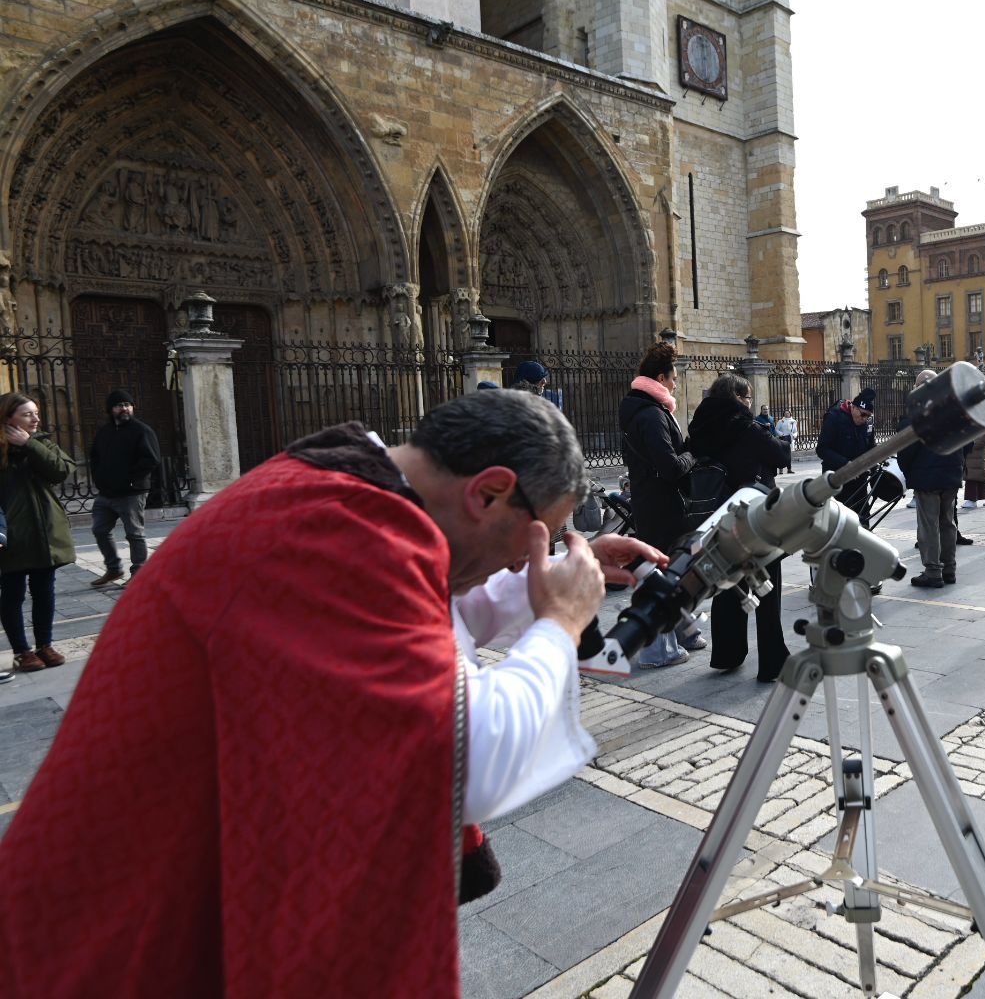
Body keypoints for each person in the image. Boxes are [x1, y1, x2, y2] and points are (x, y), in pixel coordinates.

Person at [0, 389, 661, 996]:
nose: (531, 559)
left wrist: (537, 583)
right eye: (537, 538)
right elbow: (464, 762)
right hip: (118, 940)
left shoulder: (344, 490)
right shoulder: (347, 534)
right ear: (488, 493)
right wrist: (560, 622)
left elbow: (432, 613)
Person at [687, 374, 791, 680]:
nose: (749, 403)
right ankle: (773, 661)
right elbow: (781, 454)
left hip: (718, 515)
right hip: (754, 514)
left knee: (725, 582)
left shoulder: (700, 426)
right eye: (746, 398)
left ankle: (727, 653)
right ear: (736, 398)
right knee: (767, 584)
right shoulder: (744, 426)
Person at [619, 342, 705, 667]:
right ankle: (658, 649)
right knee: (664, 573)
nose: (676, 383)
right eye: (673, 378)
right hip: (662, 506)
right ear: (660, 377)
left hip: (654, 503)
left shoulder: (643, 410)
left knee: (678, 572)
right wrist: (692, 454)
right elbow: (669, 466)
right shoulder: (652, 415)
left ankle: (684, 631)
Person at [0, 394, 74, 673]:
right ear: (9, 418)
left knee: (45, 591)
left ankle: (45, 645)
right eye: (28, 414)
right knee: (12, 594)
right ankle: (21, 650)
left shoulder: (41, 442)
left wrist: (29, 445)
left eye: (36, 413)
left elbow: (61, 471)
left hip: (45, 532)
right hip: (12, 537)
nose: (36, 419)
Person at [898, 369, 968, 587]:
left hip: (926, 475)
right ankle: (949, 569)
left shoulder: (915, 411)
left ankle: (932, 571)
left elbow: (905, 449)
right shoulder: (953, 408)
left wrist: (909, 472)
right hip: (950, 474)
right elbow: (969, 441)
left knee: (929, 525)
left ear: (918, 386)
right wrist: (958, 463)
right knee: (947, 523)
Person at [88, 388, 162, 587]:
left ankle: (139, 573)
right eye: (119, 405)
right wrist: (99, 478)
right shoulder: (105, 431)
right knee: (100, 529)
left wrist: (130, 479)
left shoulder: (142, 430)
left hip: (131, 492)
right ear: (110, 409)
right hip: (106, 493)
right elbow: (94, 457)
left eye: (127, 405)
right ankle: (114, 569)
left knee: (134, 533)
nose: (124, 408)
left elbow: (151, 459)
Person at [818, 388, 876, 512]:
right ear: (853, 408)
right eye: (863, 414)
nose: (865, 419)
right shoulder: (834, 417)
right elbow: (822, 449)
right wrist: (846, 464)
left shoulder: (868, 424)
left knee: (862, 519)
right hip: (837, 479)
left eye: (868, 415)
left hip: (859, 481)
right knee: (837, 522)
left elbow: (871, 447)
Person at [961, 431, 985, 508]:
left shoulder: (983, 419)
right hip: (972, 452)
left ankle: (971, 500)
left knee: (971, 475)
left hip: (976, 452)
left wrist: (973, 445)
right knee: (976, 475)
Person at [773, 409, 798, 474]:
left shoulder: (793, 421)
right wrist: (782, 434)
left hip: (790, 439)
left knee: (789, 455)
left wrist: (794, 435)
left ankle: (789, 469)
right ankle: (781, 469)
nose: (787, 414)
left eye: (788, 413)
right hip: (783, 438)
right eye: (785, 413)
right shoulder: (781, 421)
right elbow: (776, 429)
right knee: (781, 454)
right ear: (783, 414)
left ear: (790, 414)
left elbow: (795, 430)